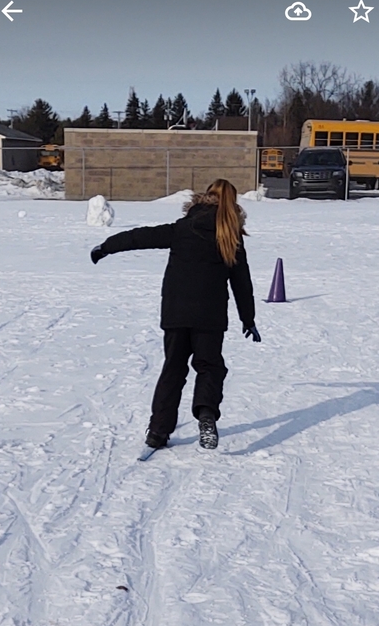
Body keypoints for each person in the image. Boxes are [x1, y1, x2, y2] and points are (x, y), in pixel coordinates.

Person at [91, 178, 261, 451]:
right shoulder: (231, 237)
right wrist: (248, 318)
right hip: (210, 315)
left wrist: (106, 247)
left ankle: (158, 432)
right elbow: (242, 281)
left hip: (176, 311)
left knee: (173, 368)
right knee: (209, 366)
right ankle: (206, 413)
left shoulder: (184, 228)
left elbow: (140, 237)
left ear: (204, 198)